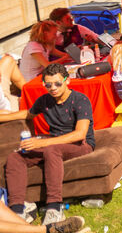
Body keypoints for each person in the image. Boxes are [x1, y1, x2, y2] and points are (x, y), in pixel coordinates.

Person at [0, 64, 93, 226]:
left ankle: (55, 207)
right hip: (55, 141)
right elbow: (28, 113)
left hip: (80, 144)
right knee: (15, 157)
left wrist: (42, 142)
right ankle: (18, 210)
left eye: (57, 83)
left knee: (51, 149)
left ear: (67, 81)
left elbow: (80, 134)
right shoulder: (45, 100)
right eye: (48, 85)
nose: (53, 88)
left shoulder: (80, 100)